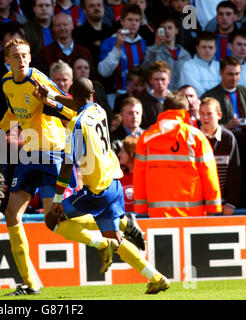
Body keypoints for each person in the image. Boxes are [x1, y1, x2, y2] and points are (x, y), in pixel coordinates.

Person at [0, 39, 123, 296]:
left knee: (53, 220)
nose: (21, 60)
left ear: (30, 58)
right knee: (11, 216)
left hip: (52, 153)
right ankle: (29, 284)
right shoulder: (7, 82)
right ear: (6, 61)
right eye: (16, 56)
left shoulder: (38, 81)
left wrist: (52, 101)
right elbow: (12, 115)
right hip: (29, 154)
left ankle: (110, 231)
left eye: (25, 55)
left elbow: (72, 107)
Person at [41, 78, 168, 294]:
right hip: (114, 182)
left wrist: (57, 199)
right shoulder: (98, 109)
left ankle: (102, 242)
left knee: (52, 220)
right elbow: (76, 103)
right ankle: (156, 277)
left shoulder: (76, 125)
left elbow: (67, 165)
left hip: (96, 191)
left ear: (77, 96)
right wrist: (51, 97)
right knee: (116, 240)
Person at [133, 91, 222, 218]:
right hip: (192, 214)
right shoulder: (195, 136)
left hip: (158, 214)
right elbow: (209, 173)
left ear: (164, 110)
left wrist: (140, 208)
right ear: (185, 111)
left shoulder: (146, 138)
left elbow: (139, 175)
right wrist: (213, 208)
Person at [199, 97, 241, 215]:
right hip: (200, 205)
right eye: (202, 114)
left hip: (223, 205)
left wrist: (231, 203)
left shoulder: (228, 137)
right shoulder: (194, 137)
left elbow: (234, 172)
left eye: (209, 114)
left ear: (219, 115)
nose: (205, 118)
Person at [98, 4, 147, 102]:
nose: (133, 23)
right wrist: (117, 47)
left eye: (137, 20)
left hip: (140, 95)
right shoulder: (110, 42)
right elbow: (103, 71)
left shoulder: (143, 43)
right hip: (115, 96)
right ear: (122, 21)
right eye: (130, 20)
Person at [201, 57, 246, 129]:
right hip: (223, 137)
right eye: (230, 74)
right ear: (221, 73)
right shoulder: (210, 96)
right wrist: (225, 126)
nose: (234, 78)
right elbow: (205, 125)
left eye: (237, 74)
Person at [205, 0, 246, 66]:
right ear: (217, 17)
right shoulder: (210, 29)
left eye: (228, 14)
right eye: (221, 14)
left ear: (235, 17)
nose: (224, 18)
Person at [141, 16, 192, 91]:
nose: (167, 31)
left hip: (180, 96)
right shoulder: (151, 50)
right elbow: (144, 70)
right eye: (163, 29)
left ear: (176, 30)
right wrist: (156, 47)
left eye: (170, 28)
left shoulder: (185, 54)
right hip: (159, 94)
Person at [72, 0, 116, 67]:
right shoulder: (78, 33)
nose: (97, 8)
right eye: (92, 6)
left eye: (99, 5)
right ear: (84, 11)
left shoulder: (112, 31)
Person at [178, 31, 221, 97]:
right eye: (204, 47)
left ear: (215, 49)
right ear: (197, 48)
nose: (207, 50)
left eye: (210, 47)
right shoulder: (188, 66)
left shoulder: (219, 66)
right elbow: (196, 90)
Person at [138, 60, 171, 129]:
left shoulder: (175, 99)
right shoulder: (142, 102)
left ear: (169, 80)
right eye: (156, 79)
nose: (160, 83)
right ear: (150, 80)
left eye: (163, 79)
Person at [118, 135, 138, 213]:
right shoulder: (118, 175)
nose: (119, 154)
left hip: (142, 219)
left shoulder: (145, 176)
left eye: (122, 152)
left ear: (131, 153)